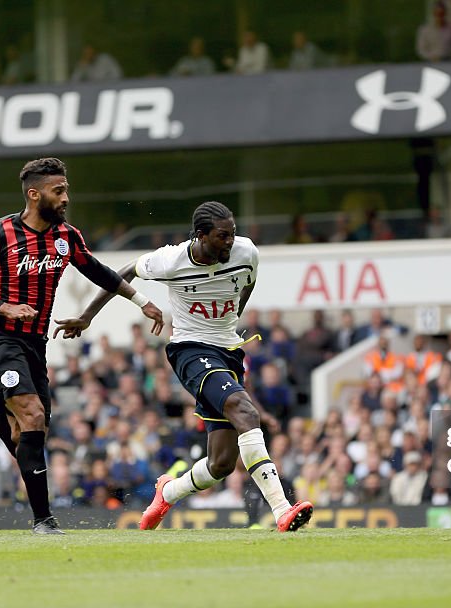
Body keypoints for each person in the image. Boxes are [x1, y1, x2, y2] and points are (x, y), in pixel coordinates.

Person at [0, 158, 164, 535]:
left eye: (66, 189)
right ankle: (43, 520)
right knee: (33, 416)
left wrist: (140, 301)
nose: (66, 197)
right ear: (34, 195)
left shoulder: (67, 236)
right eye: (59, 191)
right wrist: (3, 306)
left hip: (34, 345)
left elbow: (99, 271)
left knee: (26, 435)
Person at [54, 201, 313, 533]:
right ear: (201, 236)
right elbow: (124, 271)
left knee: (220, 464)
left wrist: (229, 320)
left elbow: (246, 284)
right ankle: (282, 510)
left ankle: (168, 492)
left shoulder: (246, 251)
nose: (230, 242)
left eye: (232, 234)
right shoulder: (170, 259)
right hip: (190, 349)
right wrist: (92, 315)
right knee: (245, 410)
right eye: (223, 236)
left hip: (228, 351)